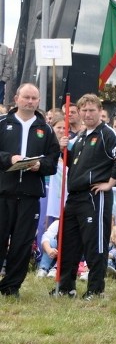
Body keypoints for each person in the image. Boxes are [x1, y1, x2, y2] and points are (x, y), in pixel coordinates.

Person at [53, 94, 116, 300]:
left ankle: (96, 289)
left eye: (91, 110)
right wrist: (62, 150)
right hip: (74, 196)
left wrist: (110, 182)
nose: (87, 114)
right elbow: (74, 165)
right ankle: (66, 287)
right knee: (68, 242)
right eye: (83, 110)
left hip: (94, 196)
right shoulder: (79, 137)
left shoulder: (107, 133)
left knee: (95, 244)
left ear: (99, 110)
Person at [0, 83, 61, 297]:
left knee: (23, 243)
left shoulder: (45, 129)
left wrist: (39, 166)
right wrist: (9, 158)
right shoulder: (3, 123)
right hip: (3, 192)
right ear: (16, 98)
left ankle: (11, 287)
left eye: (34, 98)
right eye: (26, 97)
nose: (30, 101)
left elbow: (53, 162)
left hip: (30, 194)